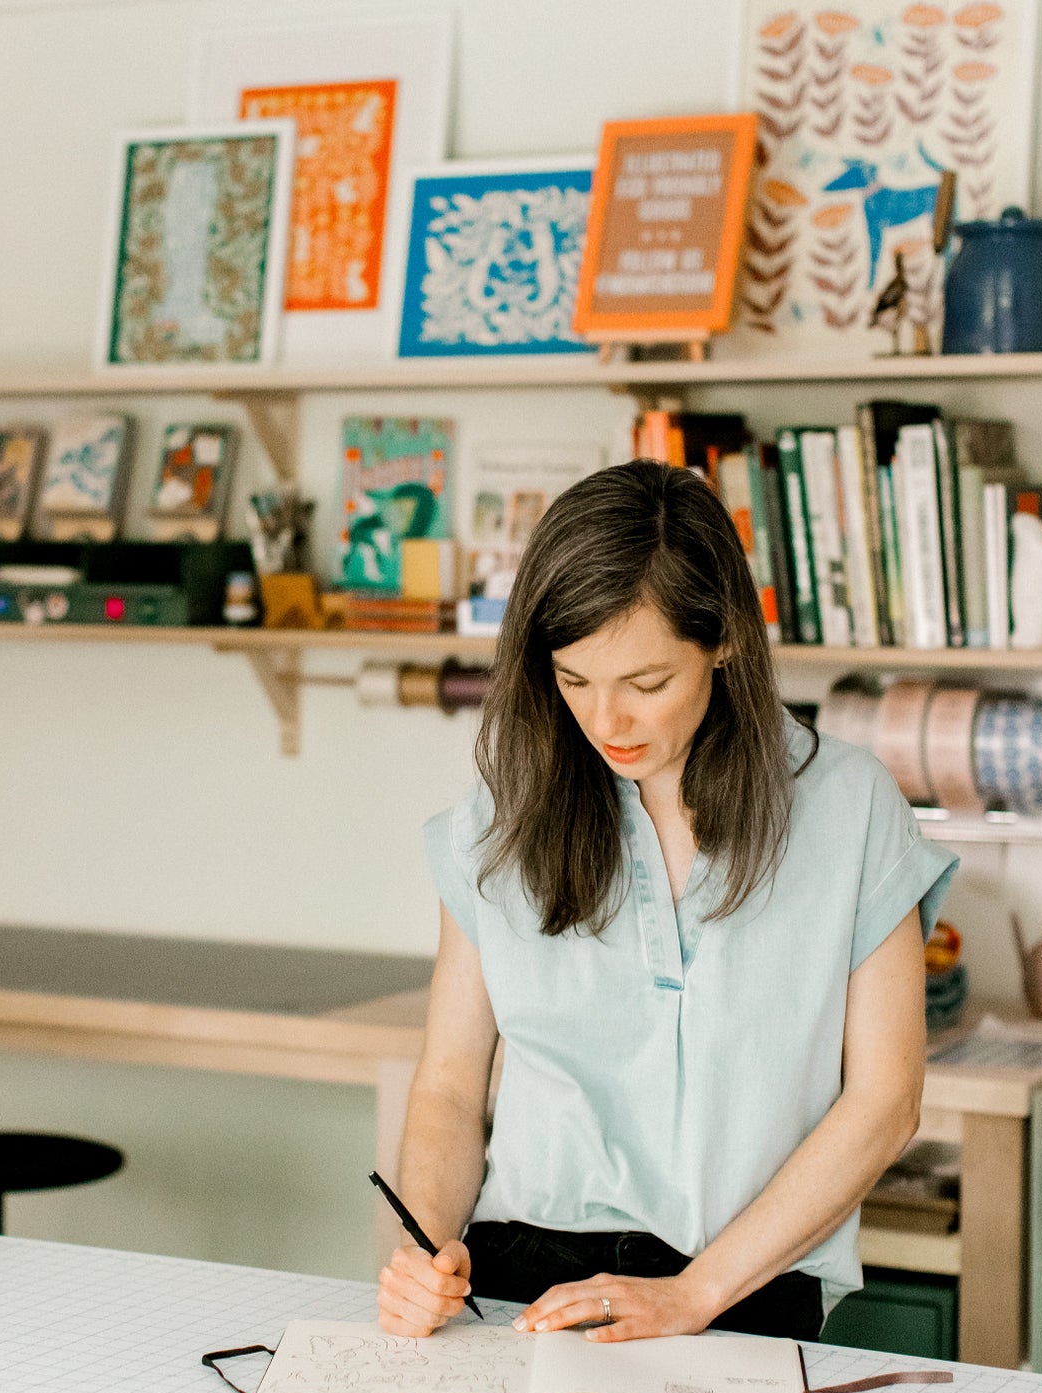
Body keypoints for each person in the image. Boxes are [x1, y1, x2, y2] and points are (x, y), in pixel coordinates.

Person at [378, 459, 958, 1344]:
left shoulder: (848, 806)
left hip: (740, 1285)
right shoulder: (505, 813)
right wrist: (424, 1247)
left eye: (647, 684)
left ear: (723, 638)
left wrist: (693, 1295)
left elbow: (886, 1102)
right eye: (575, 681)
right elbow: (453, 1087)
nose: (608, 720)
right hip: (518, 1281)